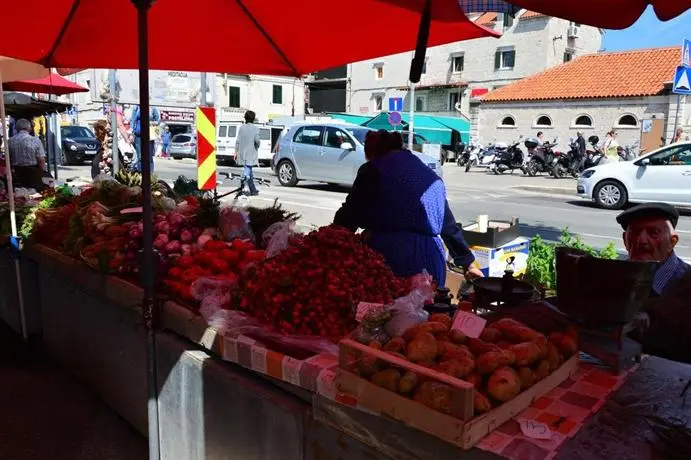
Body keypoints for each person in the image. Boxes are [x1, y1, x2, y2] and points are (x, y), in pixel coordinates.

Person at [333, 130, 483, 286]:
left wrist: (332, 242)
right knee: (429, 308)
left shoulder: (373, 170)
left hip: (391, 258)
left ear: (372, 152)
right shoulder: (427, 175)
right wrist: (468, 263)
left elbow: (351, 213)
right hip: (432, 259)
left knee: (388, 309)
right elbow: (449, 227)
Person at [619, 203, 691, 364]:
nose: (642, 240)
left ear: (672, 241)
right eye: (635, 232)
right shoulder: (617, 277)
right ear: (625, 240)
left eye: (654, 233)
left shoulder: (687, 285)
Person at [8, 118, 46, 189]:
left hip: (17, 174)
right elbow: (41, 161)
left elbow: (8, 160)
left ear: (16, 128)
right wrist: (43, 174)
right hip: (33, 174)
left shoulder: (10, 141)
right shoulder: (35, 141)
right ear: (29, 128)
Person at [235, 110, 260, 196]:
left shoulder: (241, 128)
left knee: (249, 172)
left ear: (245, 118)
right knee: (247, 173)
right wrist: (258, 145)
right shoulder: (255, 128)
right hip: (251, 154)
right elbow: (257, 140)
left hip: (242, 153)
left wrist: (235, 152)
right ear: (253, 119)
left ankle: (253, 189)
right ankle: (242, 188)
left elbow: (237, 141)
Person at [130, 104, 160, 172]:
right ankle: (140, 172)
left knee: (149, 156)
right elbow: (133, 120)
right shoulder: (136, 107)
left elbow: (158, 120)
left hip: (150, 135)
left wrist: (150, 123)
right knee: (139, 155)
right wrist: (131, 132)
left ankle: (150, 174)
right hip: (138, 134)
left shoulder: (152, 108)